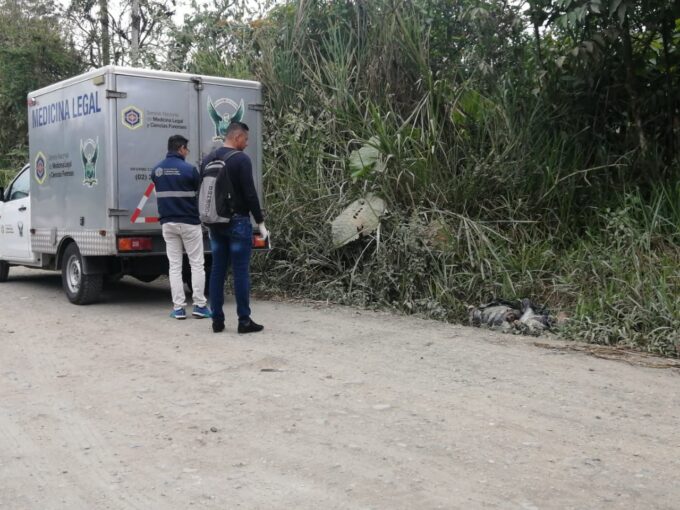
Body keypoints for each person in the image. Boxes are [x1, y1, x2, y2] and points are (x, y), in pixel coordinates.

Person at [201, 121, 268, 334]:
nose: (247, 144)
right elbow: (250, 193)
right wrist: (260, 221)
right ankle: (244, 321)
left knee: (217, 271)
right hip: (238, 222)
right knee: (240, 272)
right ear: (237, 137)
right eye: (246, 139)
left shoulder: (208, 159)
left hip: (215, 222)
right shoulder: (241, 159)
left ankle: (217, 321)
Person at [151, 135, 211, 320]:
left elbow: (156, 192)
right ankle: (200, 305)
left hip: (168, 223)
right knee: (196, 264)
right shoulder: (190, 170)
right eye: (187, 149)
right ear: (181, 148)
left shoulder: (156, 170)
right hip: (189, 223)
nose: (187, 152)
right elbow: (197, 193)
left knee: (174, 266)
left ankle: (178, 309)